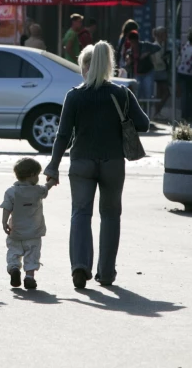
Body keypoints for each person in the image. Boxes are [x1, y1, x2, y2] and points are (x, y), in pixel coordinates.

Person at [44, 42, 149, 289]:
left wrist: (53, 166)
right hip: (113, 162)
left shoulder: (74, 95)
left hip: (81, 162)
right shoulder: (122, 94)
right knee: (111, 215)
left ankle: (80, 266)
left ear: (84, 68)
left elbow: (62, 135)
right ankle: (107, 273)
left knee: (80, 214)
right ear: (108, 66)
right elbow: (143, 124)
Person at [0, 158, 54, 290]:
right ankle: (29, 277)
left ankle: (14, 268)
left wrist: (4, 222)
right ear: (31, 175)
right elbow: (47, 187)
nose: (38, 178)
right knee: (32, 254)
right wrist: (52, 180)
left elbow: (7, 208)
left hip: (15, 231)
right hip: (34, 233)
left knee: (13, 251)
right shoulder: (38, 191)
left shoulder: (11, 192)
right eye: (37, 175)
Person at [126, 30, 160, 100]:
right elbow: (128, 64)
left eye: (134, 42)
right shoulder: (130, 51)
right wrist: (129, 61)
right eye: (131, 42)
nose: (133, 44)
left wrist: (147, 53)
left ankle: (147, 110)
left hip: (147, 72)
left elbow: (157, 47)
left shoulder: (145, 45)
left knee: (148, 95)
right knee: (138, 96)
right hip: (137, 74)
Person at [151, 26, 171, 119]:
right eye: (165, 34)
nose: (166, 36)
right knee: (166, 93)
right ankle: (157, 111)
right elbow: (158, 61)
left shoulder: (159, 46)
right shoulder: (157, 46)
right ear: (161, 35)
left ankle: (157, 112)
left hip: (159, 71)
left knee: (160, 93)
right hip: (160, 71)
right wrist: (165, 58)